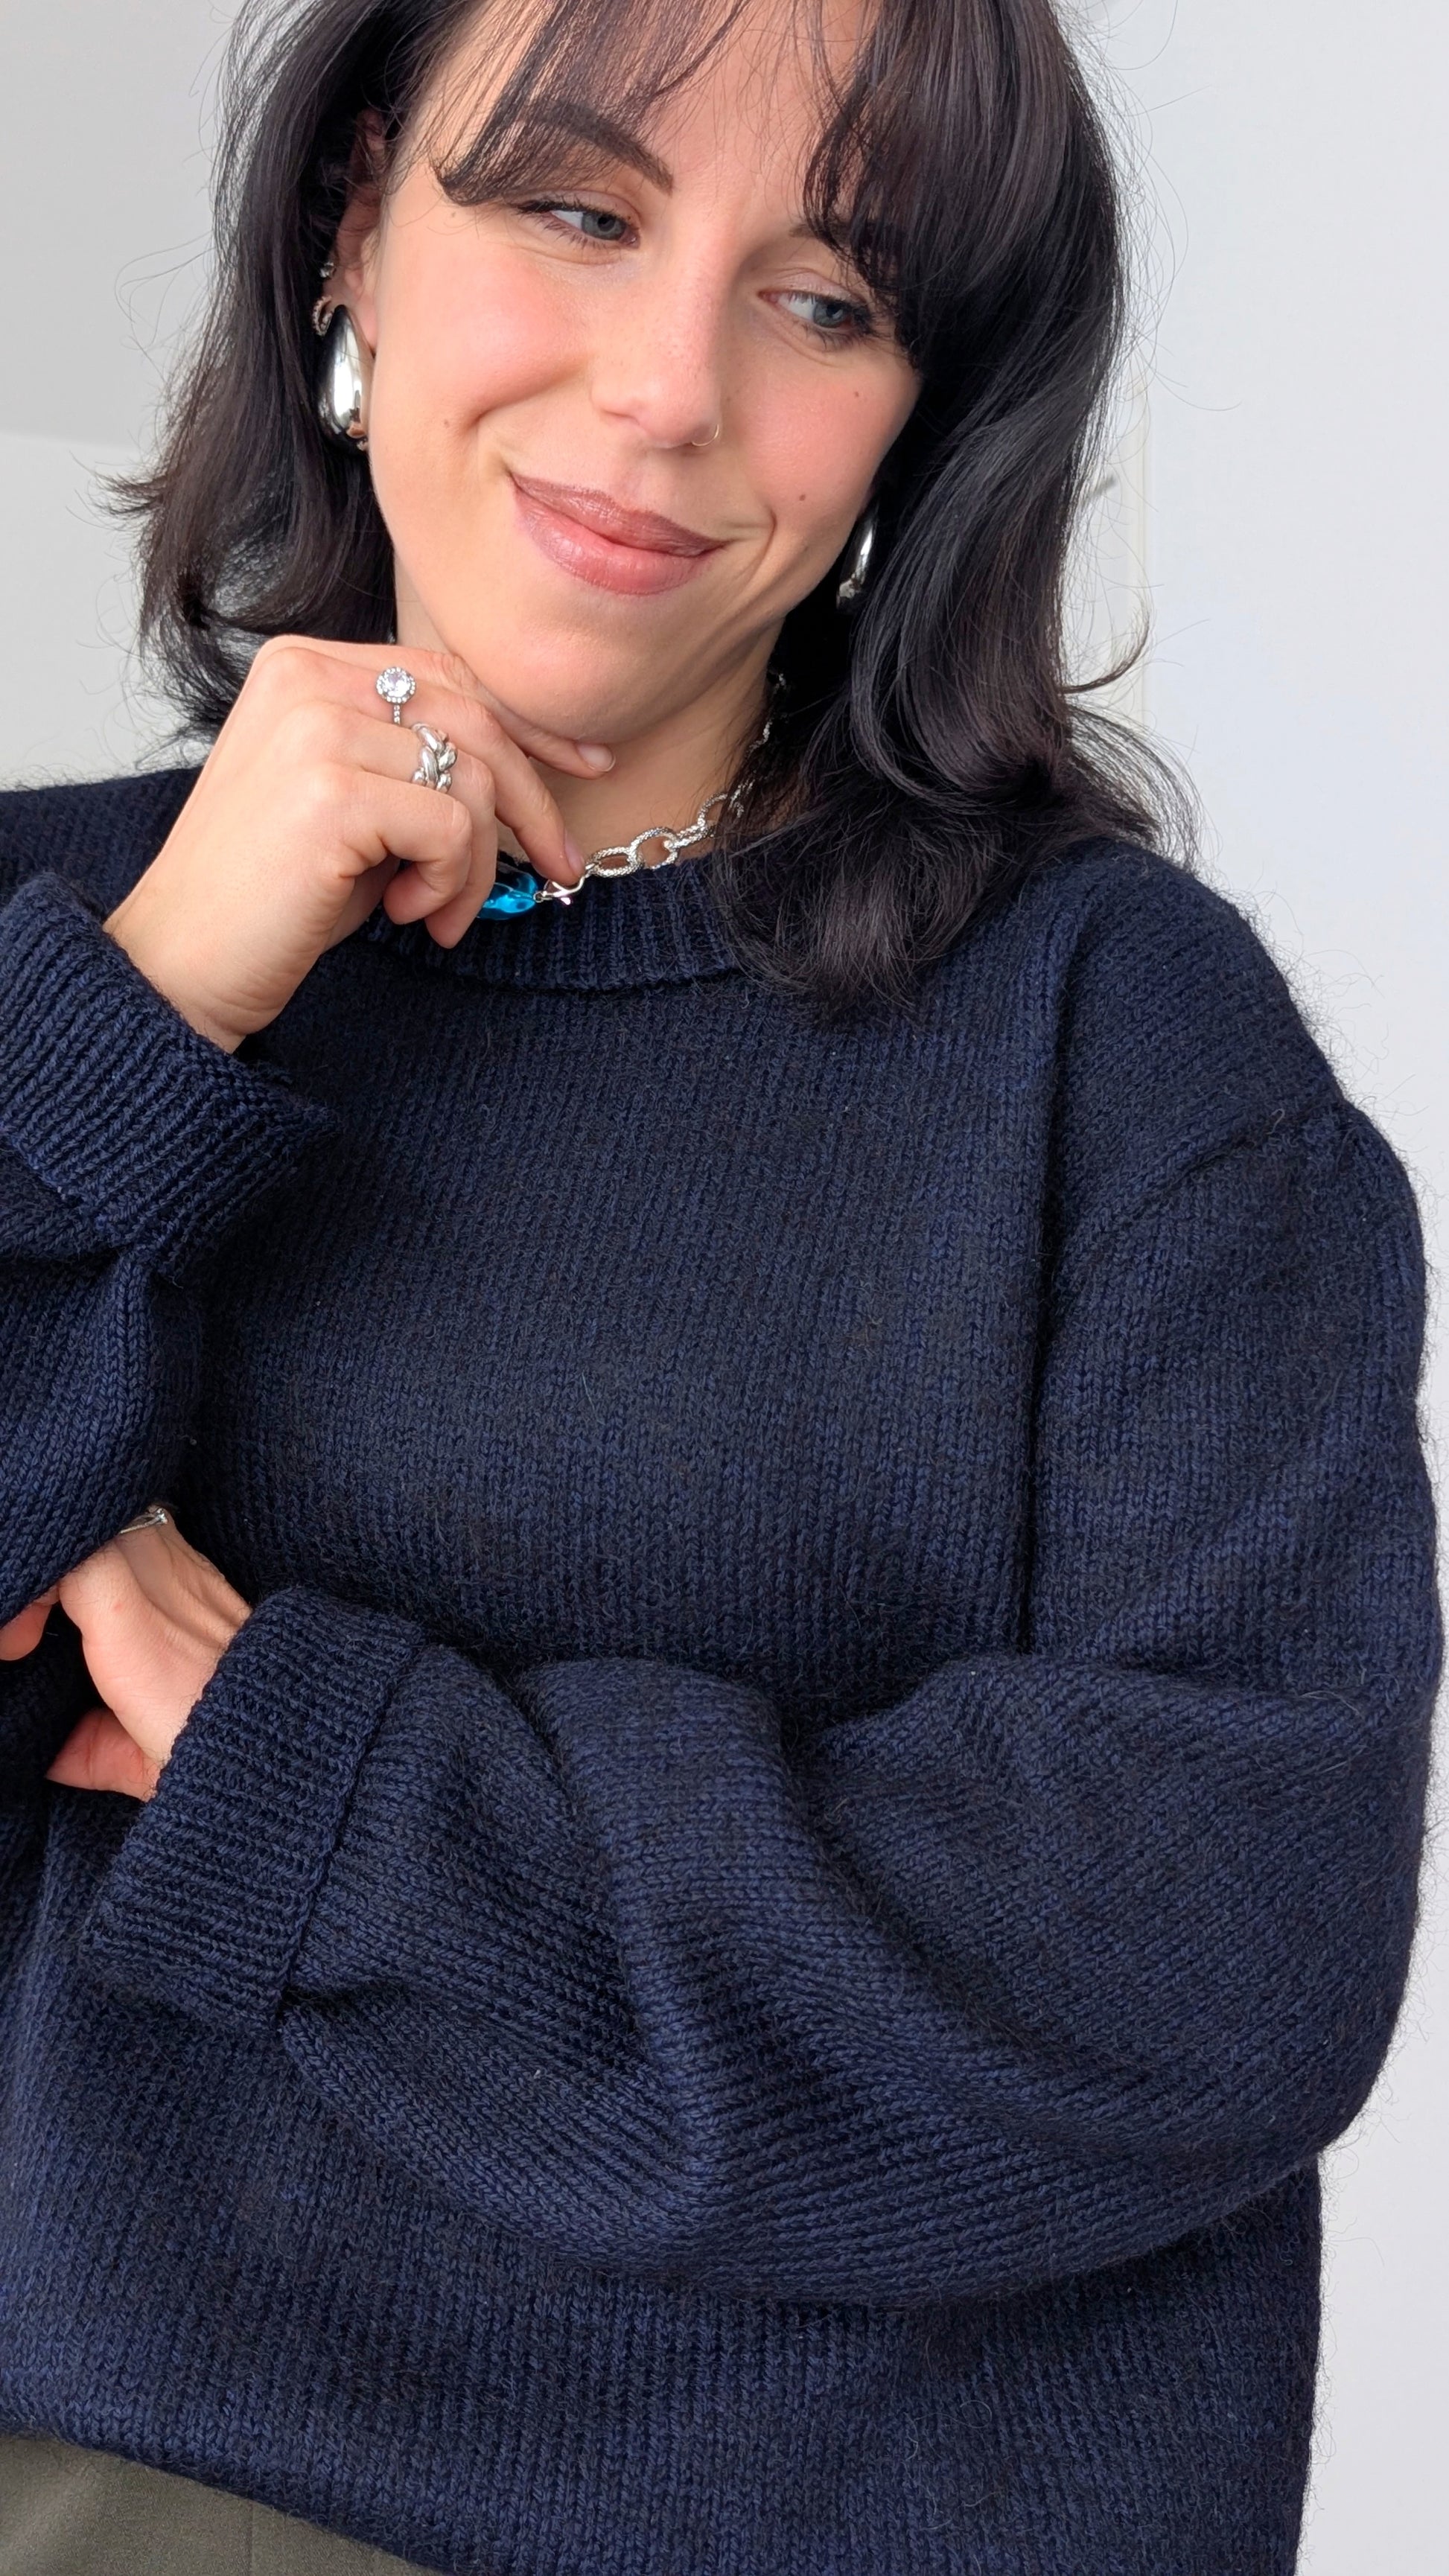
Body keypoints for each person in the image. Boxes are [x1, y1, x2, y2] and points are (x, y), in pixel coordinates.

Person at [0, 0, 1439, 2568]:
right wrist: (142, 1011)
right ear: (352, 223)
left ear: (922, 410)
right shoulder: (53, 939)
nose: (670, 389)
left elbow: (1216, 1938)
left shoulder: (1118, 1047)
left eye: (827, 298)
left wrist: (331, 1804)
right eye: (575, 207)